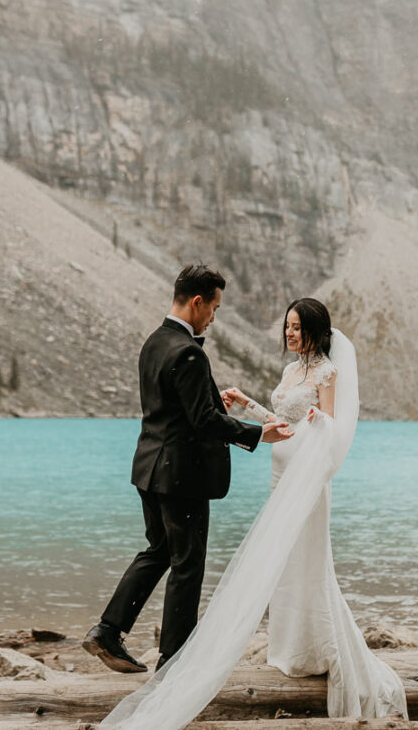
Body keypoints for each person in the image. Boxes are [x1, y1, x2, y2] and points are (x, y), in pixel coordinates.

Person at [100, 297, 406, 728]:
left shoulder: (327, 372)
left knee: (308, 560)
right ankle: (289, 649)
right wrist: (247, 404)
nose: (290, 333)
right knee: (283, 562)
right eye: (287, 326)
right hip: (281, 472)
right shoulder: (290, 371)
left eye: (297, 327)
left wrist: (320, 421)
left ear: (316, 331)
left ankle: (318, 646)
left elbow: (331, 428)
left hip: (307, 477)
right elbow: (281, 423)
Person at [82, 264, 292, 674]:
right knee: (187, 563)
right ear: (197, 302)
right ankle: (174, 659)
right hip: (181, 476)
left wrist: (213, 403)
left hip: (149, 469)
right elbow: (203, 422)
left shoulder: (154, 341)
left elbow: (175, 407)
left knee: (159, 551)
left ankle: (108, 630)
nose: (214, 317)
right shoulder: (190, 352)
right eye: (214, 308)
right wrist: (257, 434)